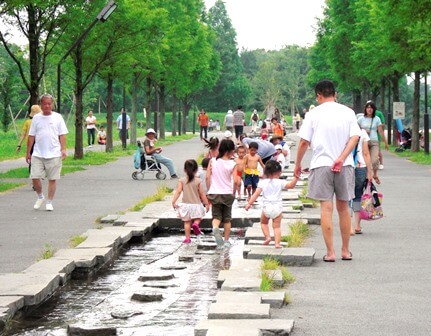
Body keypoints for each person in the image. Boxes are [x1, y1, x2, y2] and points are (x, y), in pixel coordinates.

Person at [294, 79, 361, 262]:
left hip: (322, 163)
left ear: (318, 95)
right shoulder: (348, 112)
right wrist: (341, 158)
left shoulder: (313, 114)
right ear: (335, 94)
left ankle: (330, 252)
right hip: (345, 164)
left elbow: (303, 142)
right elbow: (355, 137)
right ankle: (345, 251)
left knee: (326, 207)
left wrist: (298, 165)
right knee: (343, 207)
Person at [26, 94, 68, 211]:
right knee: (34, 176)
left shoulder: (58, 117)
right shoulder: (36, 118)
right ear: (41, 105)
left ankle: (49, 201)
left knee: (52, 179)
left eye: (49, 104)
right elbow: (31, 136)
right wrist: (28, 152)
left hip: (54, 153)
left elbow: (62, 135)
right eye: (44, 104)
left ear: (52, 105)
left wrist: (63, 149)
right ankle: (40, 196)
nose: (47, 106)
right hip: (38, 153)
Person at [245, 161, 298, 248]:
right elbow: (291, 185)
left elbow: (256, 194)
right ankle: (277, 243)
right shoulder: (280, 182)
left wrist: (249, 204)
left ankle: (268, 237)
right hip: (277, 207)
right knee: (277, 227)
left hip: (267, 208)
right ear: (279, 172)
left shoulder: (262, 182)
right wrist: (296, 177)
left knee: (263, 223)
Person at [206, 139, 239, 248]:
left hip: (214, 192)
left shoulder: (212, 161)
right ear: (230, 151)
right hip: (227, 193)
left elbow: (207, 177)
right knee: (227, 218)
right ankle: (226, 240)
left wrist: (209, 189)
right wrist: (234, 192)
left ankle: (215, 228)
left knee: (216, 216)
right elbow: (235, 181)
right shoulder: (233, 164)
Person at [172, 159, 209, 243]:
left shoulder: (182, 180)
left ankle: (187, 238)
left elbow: (178, 191)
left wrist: (173, 201)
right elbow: (202, 194)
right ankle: (196, 224)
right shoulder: (198, 181)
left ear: (184, 169)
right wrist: (206, 204)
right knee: (198, 218)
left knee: (187, 222)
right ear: (196, 169)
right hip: (196, 204)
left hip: (185, 205)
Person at [357, 101, 389, 185]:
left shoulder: (377, 119)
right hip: (364, 141)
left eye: (371, 108)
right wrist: (363, 130)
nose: (369, 109)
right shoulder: (361, 119)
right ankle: (367, 174)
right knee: (364, 160)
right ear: (365, 109)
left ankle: (375, 174)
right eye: (368, 107)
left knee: (374, 160)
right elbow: (356, 130)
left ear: (374, 109)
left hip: (374, 141)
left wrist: (385, 142)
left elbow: (381, 131)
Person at [350, 126, 373, 235]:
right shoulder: (362, 132)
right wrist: (370, 171)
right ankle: (357, 226)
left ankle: (349, 226)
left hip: (346, 165)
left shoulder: (344, 130)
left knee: (345, 196)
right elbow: (366, 153)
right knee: (358, 195)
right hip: (360, 166)